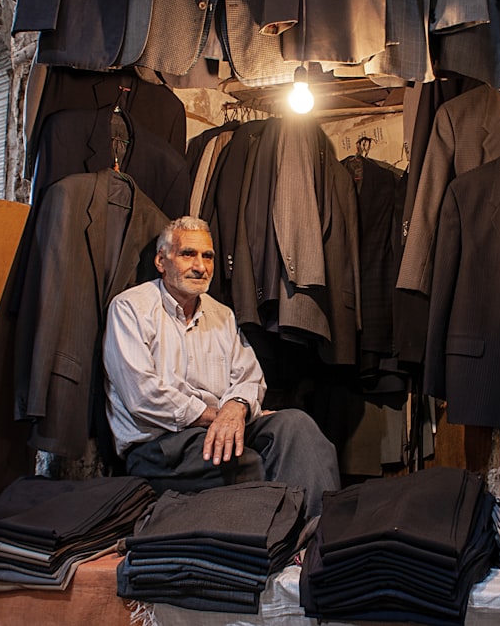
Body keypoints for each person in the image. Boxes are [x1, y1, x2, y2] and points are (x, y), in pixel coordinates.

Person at [103, 215, 341, 517]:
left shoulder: (222, 315)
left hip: (221, 429)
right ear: (162, 261)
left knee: (297, 427)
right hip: (161, 446)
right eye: (188, 254)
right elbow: (143, 396)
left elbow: (250, 378)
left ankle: (315, 542)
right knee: (249, 464)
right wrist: (219, 415)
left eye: (208, 256)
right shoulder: (130, 308)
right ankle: (281, 545)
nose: (201, 266)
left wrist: (237, 407)